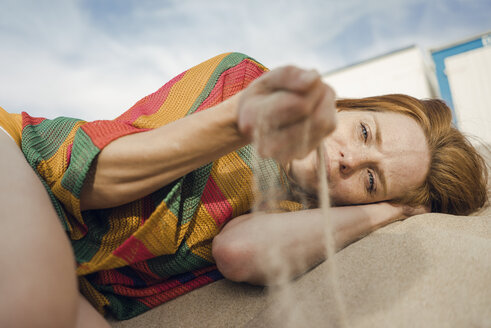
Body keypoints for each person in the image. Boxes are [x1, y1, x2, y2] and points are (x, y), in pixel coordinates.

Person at [0, 53, 488, 328]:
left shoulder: (301, 213)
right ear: (349, 105)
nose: (348, 158)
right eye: (364, 133)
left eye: (370, 179)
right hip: (28, 167)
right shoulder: (242, 82)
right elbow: (95, 179)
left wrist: (389, 213)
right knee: (31, 304)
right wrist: (238, 123)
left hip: (82, 283)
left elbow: (240, 251)